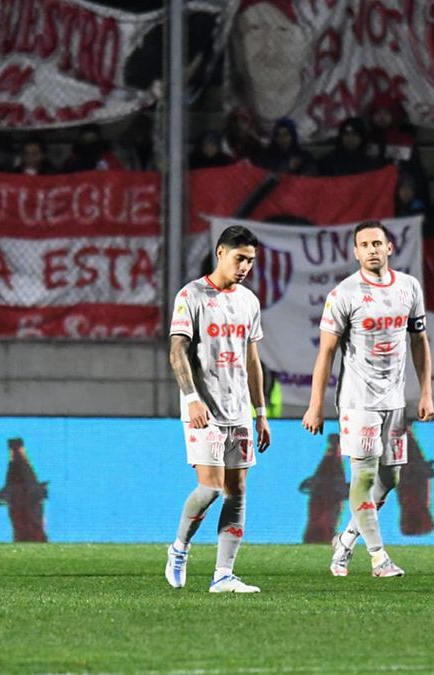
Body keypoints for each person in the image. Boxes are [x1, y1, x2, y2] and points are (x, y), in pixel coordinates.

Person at [302, 220, 434, 578]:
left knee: (390, 478)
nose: (372, 249)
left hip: (394, 401)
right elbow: (326, 353)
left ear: (389, 247)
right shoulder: (343, 294)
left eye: (378, 243)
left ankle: (344, 541)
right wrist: (315, 405)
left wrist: (425, 392)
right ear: (355, 252)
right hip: (357, 402)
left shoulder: (409, 287)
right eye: (365, 244)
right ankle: (379, 557)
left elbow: (419, 342)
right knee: (362, 476)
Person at [165, 225, 271, 593]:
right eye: (240, 258)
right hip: (204, 408)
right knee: (210, 489)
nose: (245, 267)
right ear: (221, 252)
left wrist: (261, 412)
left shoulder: (249, 302)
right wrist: (192, 398)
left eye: (251, 261)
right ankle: (179, 548)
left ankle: (223, 574)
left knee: (237, 490)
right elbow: (177, 350)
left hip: (239, 409)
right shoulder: (191, 295)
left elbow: (252, 359)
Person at [318, 117, 385, 176]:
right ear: (341, 137)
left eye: (355, 135)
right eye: (347, 134)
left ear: (362, 137)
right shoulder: (328, 162)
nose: (350, 138)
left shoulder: (372, 163)